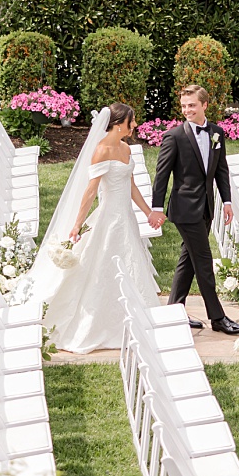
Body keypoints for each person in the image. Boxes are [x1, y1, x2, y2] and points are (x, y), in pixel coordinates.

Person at [27, 102, 161, 354]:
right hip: (108, 220)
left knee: (131, 263)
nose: (134, 125)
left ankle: (135, 319)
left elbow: (131, 186)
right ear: (119, 123)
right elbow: (90, 191)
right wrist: (77, 224)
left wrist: (148, 213)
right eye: (131, 120)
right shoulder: (101, 150)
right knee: (101, 267)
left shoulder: (125, 148)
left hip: (126, 218)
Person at [148, 85, 239, 335]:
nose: (187, 110)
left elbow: (221, 170)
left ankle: (174, 311)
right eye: (184, 106)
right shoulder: (174, 136)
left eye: (191, 105)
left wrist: (227, 201)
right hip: (184, 209)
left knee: (188, 261)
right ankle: (218, 318)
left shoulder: (217, 133)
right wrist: (157, 208)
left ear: (204, 105)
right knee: (203, 263)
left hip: (206, 208)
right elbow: (162, 175)